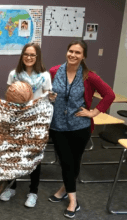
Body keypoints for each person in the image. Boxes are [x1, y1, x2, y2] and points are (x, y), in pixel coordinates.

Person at [48, 40, 115, 218]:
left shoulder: (89, 76)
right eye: (71, 51)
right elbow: (46, 94)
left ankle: (69, 196)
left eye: (78, 52)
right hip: (58, 126)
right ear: (66, 52)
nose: (73, 55)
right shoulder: (54, 72)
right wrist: (49, 97)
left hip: (80, 127)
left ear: (83, 56)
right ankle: (70, 196)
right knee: (66, 162)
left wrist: (94, 112)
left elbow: (109, 94)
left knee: (73, 162)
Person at [0, 43, 52, 208]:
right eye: (26, 54)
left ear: (37, 57)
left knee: (34, 156)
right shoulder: (14, 74)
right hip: (17, 121)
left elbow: (48, 97)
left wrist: (52, 98)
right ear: (22, 56)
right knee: (13, 155)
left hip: (36, 122)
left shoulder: (44, 76)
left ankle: (33, 192)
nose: (29, 57)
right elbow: (10, 97)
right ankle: (11, 187)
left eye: (32, 55)